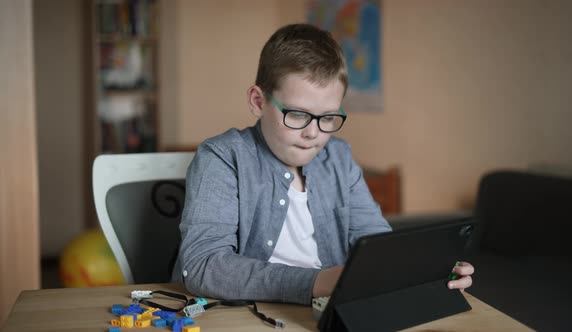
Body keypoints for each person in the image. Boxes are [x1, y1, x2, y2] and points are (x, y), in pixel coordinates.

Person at [172, 23, 474, 305]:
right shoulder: (223, 157)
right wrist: (317, 281)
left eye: (328, 117)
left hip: (328, 309)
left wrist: (428, 270)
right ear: (257, 101)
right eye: (298, 115)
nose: (313, 133)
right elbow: (203, 266)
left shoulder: (339, 159)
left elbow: (378, 246)